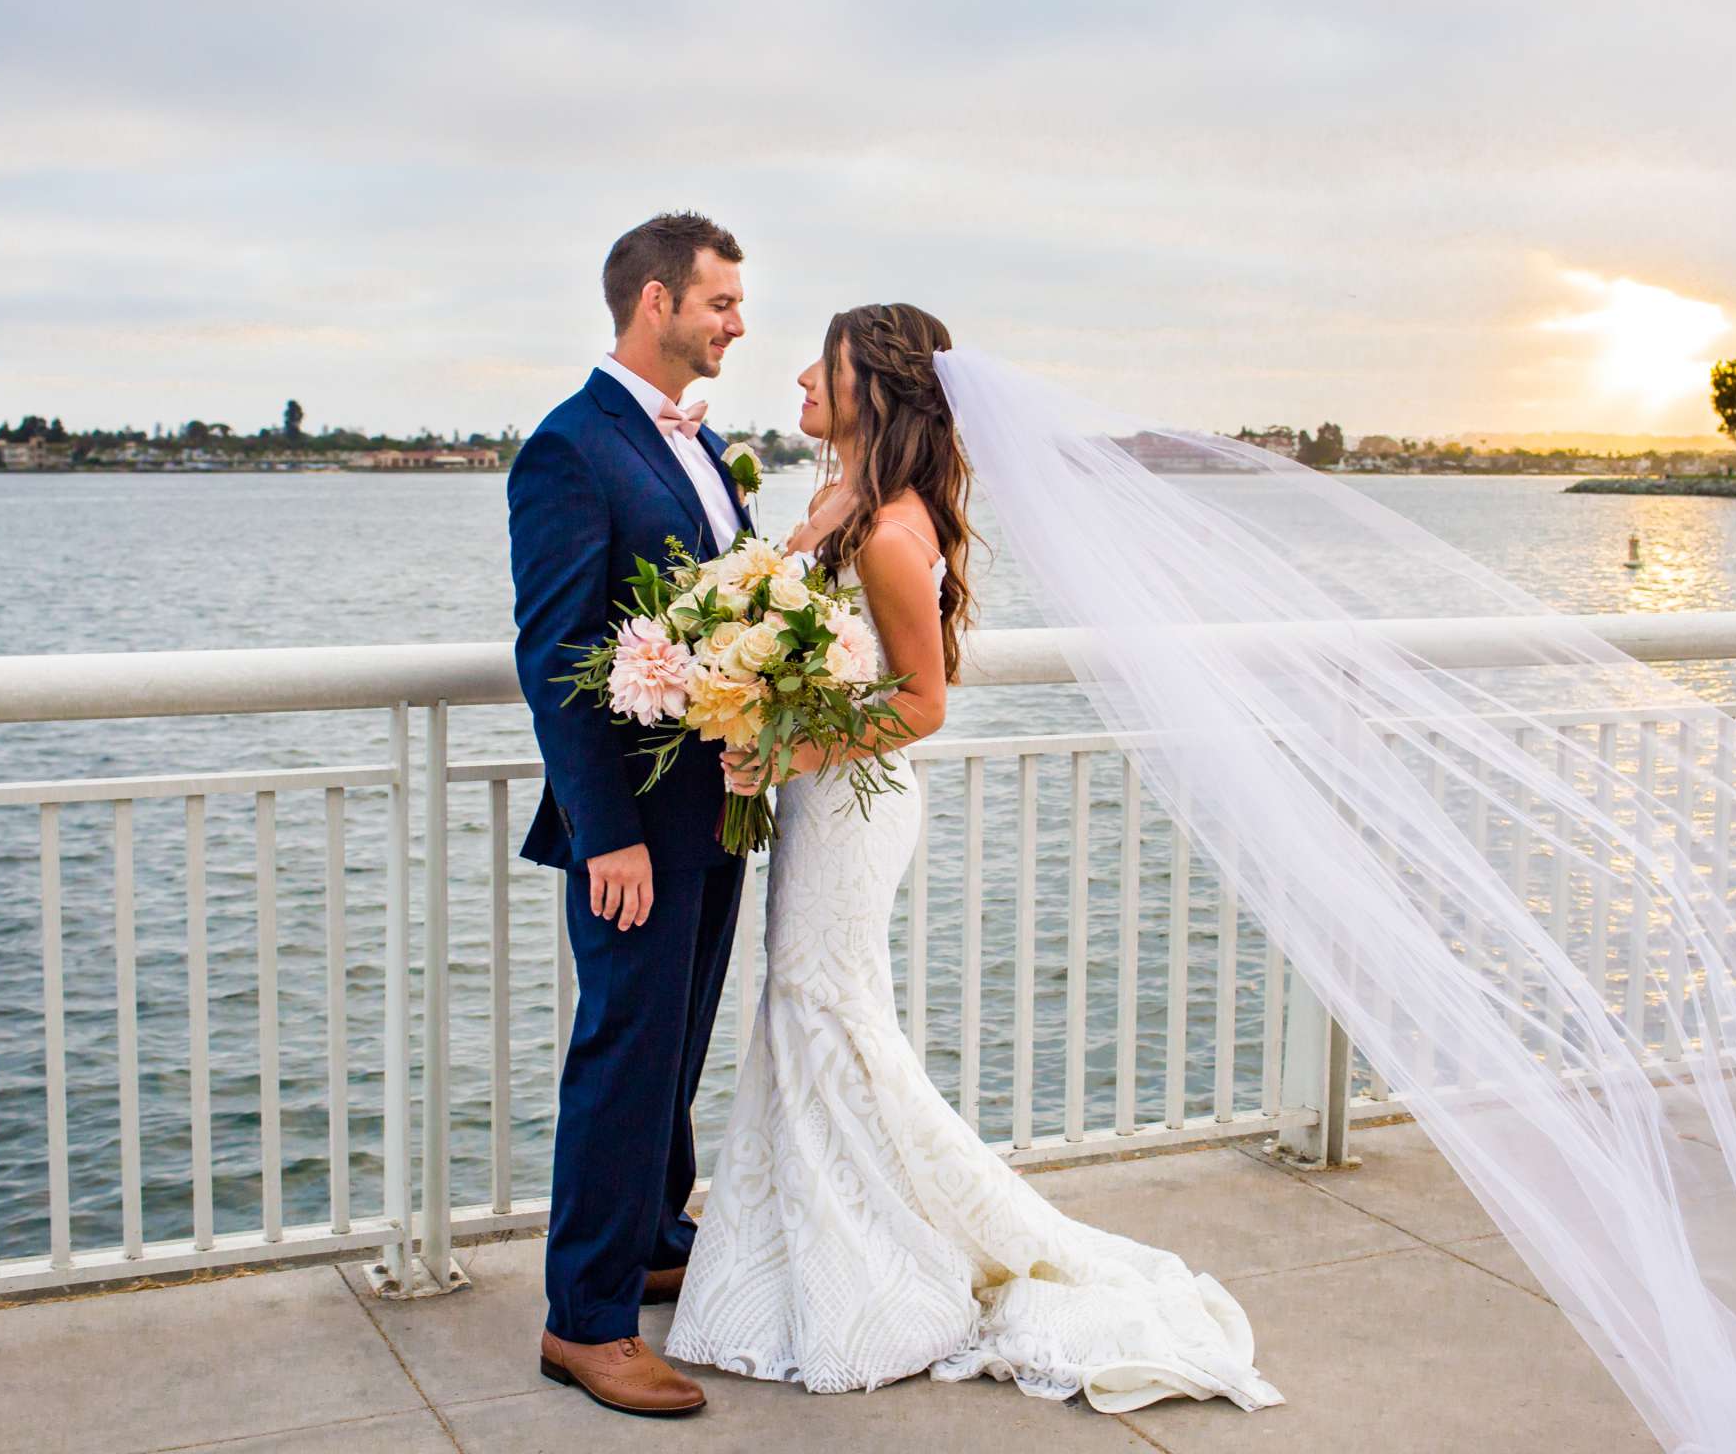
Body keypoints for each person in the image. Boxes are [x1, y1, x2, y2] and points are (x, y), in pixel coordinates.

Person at [663, 303, 1288, 1414]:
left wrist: (784, 741)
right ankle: (796, 1239)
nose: (806, 370)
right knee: (801, 1008)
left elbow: (923, 702)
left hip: (854, 804)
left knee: (826, 1006)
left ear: (880, 389)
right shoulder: (832, 501)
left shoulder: (896, 532)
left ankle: (879, 1263)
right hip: (813, 797)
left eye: (833, 360)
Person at [507, 211, 753, 1418]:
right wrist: (603, 832)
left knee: (679, 1035)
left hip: (717, 808)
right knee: (622, 1049)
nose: (737, 324)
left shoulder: (704, 446)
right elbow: (556, 650)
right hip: (635, 825)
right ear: (656, 303)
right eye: (720, 303)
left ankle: (656, 1234)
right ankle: (586, 1320)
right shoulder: (571, 448)